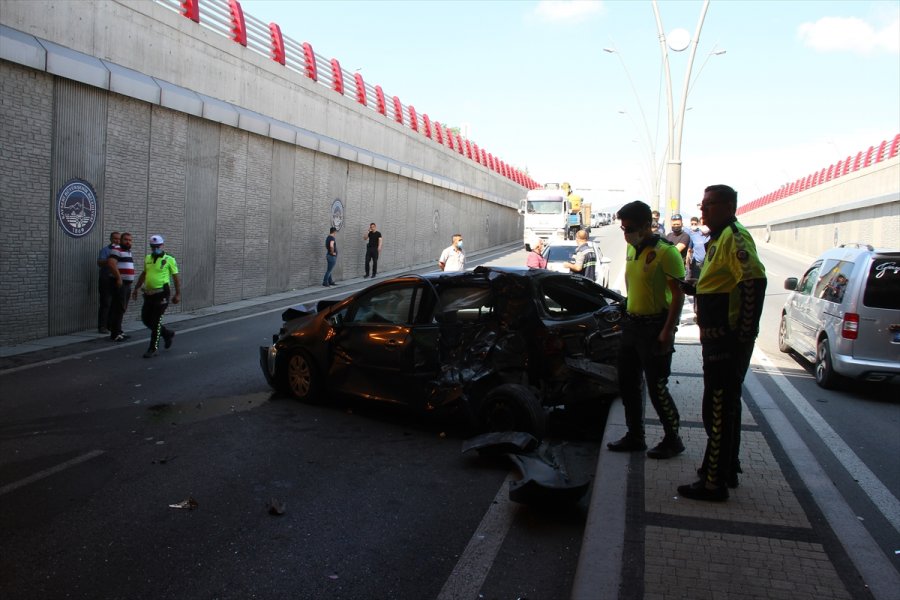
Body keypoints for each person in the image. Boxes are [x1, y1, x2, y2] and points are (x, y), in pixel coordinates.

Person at [677, 184, 767, 502]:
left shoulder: (735, 237)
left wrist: (741, 336)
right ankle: (724, 468)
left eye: (710, 204)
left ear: (729, 206)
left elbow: (754, 281)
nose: (703, 211)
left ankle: (714, 483)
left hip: (726, 344)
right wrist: (695, 289)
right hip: (716, 340)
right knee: (722, 408)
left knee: (716, 409)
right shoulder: (717, 239)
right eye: (702, 205)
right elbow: (722, 284)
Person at [606, 201, 686, 459]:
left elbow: (678, 296)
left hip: (655, 327)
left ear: (644, 225)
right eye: (622, 228)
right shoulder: (632, 248)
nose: (625, 232)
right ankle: (635, 436)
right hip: (633, 325)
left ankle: (673, 439)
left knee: (657, 387)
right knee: (627, 384)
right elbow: (631, 280)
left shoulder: (666, 252)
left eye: (628, 227)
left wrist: (667, 331)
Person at [132, 235, 181, 358]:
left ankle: (153, 348)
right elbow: (144, 273)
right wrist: (136, 288)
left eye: (157, 247)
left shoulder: (169, 259)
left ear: (162, 246)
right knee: (146, 319)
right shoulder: (148, 258)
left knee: (156, 321)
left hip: (162, 293)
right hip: (149, 293)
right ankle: (167, 334)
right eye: (153, 247)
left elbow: (175, 277)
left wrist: (178, 293)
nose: (155, 249)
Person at [106, 232, 135, 342]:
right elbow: (111, 263)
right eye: (126, 240)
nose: (128, 242)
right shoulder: (117, 250)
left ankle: (118, 330)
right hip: (120, 284)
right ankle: (115, 333)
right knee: (118, 308)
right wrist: (118, 278)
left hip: (126, 284)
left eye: (130, 240)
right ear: (121, 240)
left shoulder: (127, 251)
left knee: (122, 308)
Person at [97, 231, 120, 334]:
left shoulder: (122, 251)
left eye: (119, 239)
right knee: (106, 303)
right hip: (106, 280)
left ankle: (111, 326)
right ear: (111, 239)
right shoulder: (105, 250)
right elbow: (99, 262)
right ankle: (102, 326)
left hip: (117, 280)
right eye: (115, 238)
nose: (117, 241)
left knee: (115, 304)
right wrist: (111, 260)